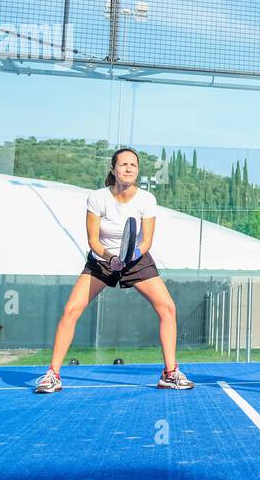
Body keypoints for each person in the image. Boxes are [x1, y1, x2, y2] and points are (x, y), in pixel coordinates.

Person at [34, 148, 192, 393]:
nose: (129, 169)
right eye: (123, 164)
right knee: (71, 310)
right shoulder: (97, 198)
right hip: (102, 260)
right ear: (113, 169)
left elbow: (147, 241)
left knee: (168, 308)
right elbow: (93, 240)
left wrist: (131, 256)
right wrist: (111, 258)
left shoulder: (146, 200)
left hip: (136, 260)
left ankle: (170, 374)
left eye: (133, 165)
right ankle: (52, 375)